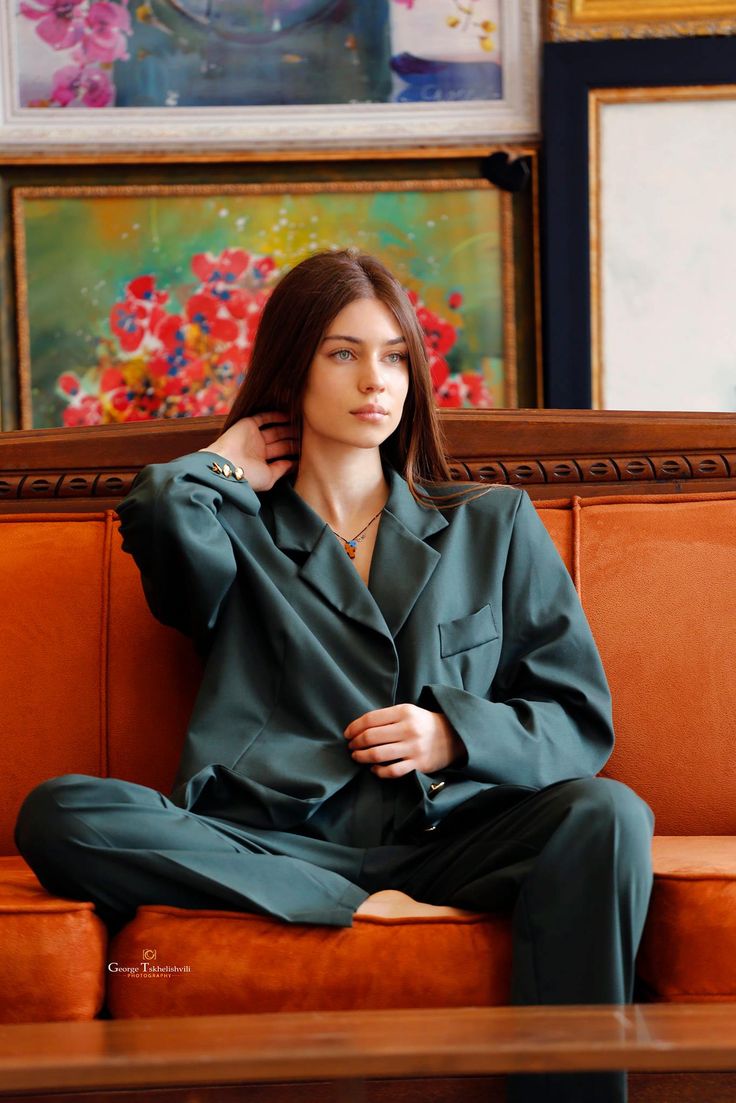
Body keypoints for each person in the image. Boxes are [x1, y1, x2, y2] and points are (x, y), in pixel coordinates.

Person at [14, 248, 654, 1103]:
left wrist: (454, 733)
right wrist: (221, 465)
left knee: (609, 812)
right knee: (59, 813)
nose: (374, 380)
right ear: (293, 370)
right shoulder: (232, 529)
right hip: (274, 839)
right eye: (343, 353)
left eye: (393, 355)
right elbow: (162, 523)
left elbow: (578, 719)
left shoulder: (492, 524)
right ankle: (337, 895)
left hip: (451, 841)